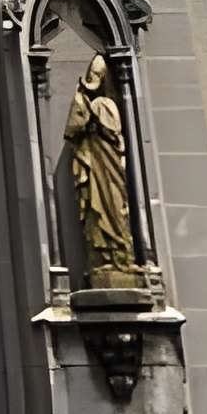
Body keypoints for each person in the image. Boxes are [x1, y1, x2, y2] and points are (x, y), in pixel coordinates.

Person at [64, 53, 140, 285]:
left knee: (113, 209)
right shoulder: (93, 105)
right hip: (97, 170)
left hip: (109, 170)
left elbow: (113, 135)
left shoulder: (103, 105)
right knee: (98, 212)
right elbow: (72, 129)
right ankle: (105, 257)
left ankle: (119, 257)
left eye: (96, 76)